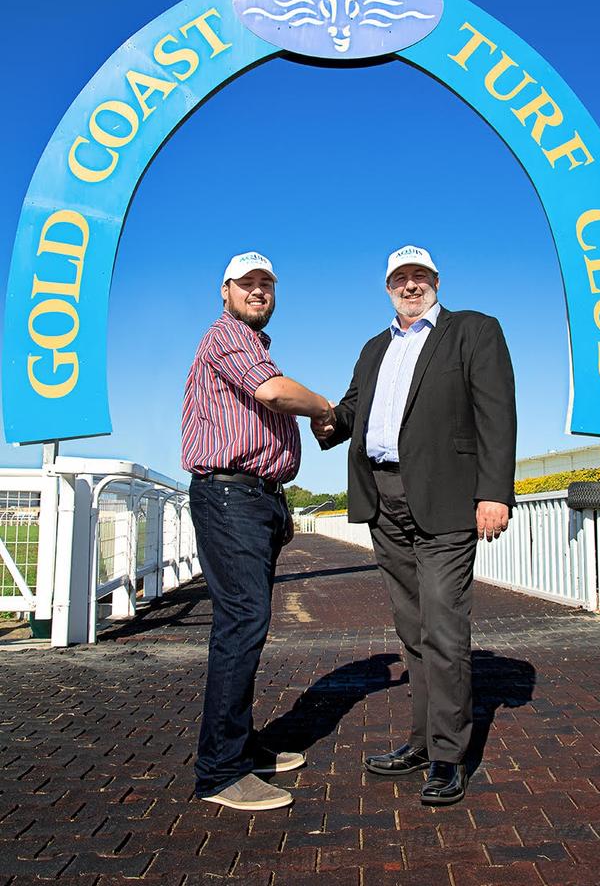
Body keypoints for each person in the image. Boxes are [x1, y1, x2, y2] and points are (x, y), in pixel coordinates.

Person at [313, 244, 516, 806]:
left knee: (445, 631)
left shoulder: (473, 331)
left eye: (419, 276)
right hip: (384, 501)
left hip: (447, 502)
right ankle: (421, 742)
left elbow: (497, 413)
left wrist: (494, 492)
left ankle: (449, 756)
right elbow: (351, 411)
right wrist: (317, 414)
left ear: (436, 280)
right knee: (412, 632)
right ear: (386, 287)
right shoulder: (374, 347)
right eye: (399, 278)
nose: (410, 285)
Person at [182, 250, 334, 811]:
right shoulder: (225, 336)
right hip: (228, 494)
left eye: (266, 283)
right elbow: (273, 394)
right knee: (243, 620)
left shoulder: (255, 345)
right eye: (246, 283)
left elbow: (264, 417)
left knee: (248, 621)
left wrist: (276, 503)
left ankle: (241, 746)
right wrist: (324, 408)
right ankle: (220, 772)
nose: (258, 291)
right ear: (224, 292)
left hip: (255, 496)